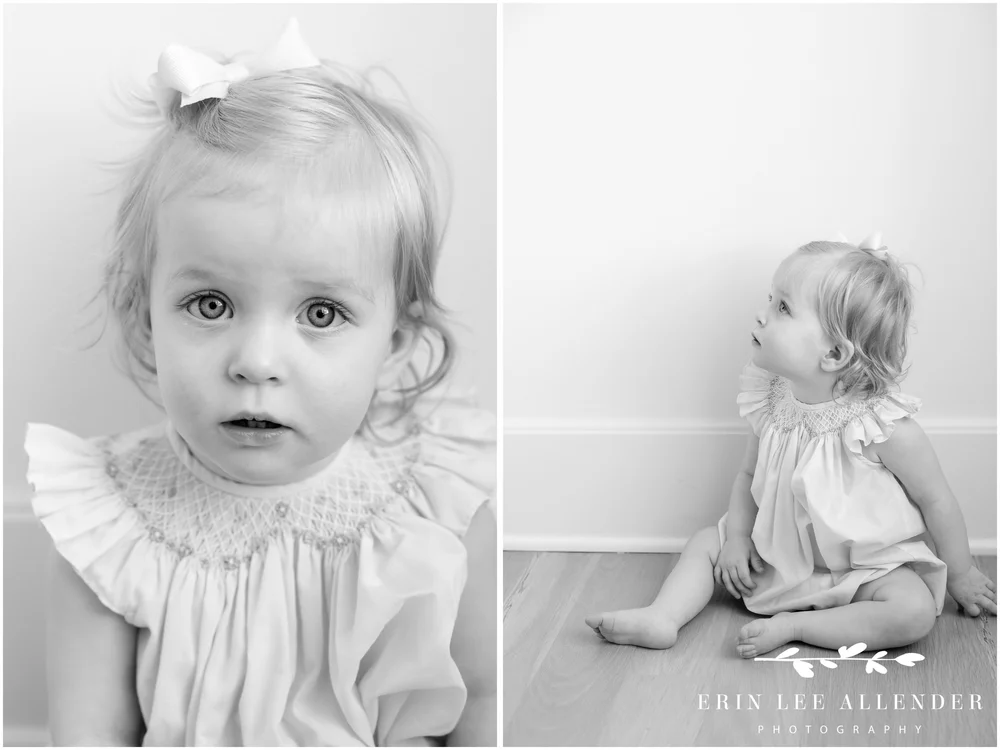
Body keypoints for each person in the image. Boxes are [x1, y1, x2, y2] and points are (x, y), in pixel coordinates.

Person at [26, 19, 496, 746]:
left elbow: (484, 702)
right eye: (210, 305)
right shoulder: (109, 526)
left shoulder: (435, 504)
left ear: (395, 344)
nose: (257, 361)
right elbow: (87, 736)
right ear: (145, 319)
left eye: (321, 312)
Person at [585, 234, 996, 657]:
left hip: (862, 572)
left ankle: (797, 625)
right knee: (708, 541)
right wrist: (739, 539)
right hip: (778, 558)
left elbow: (937, 500)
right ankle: (662, 617)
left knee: (914, 611)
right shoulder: (771, 402)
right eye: (770, 300)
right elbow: (748, 477)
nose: (761, 316)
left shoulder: (881, 425)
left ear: (833, 353)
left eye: (782, 307)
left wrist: (961, 574)